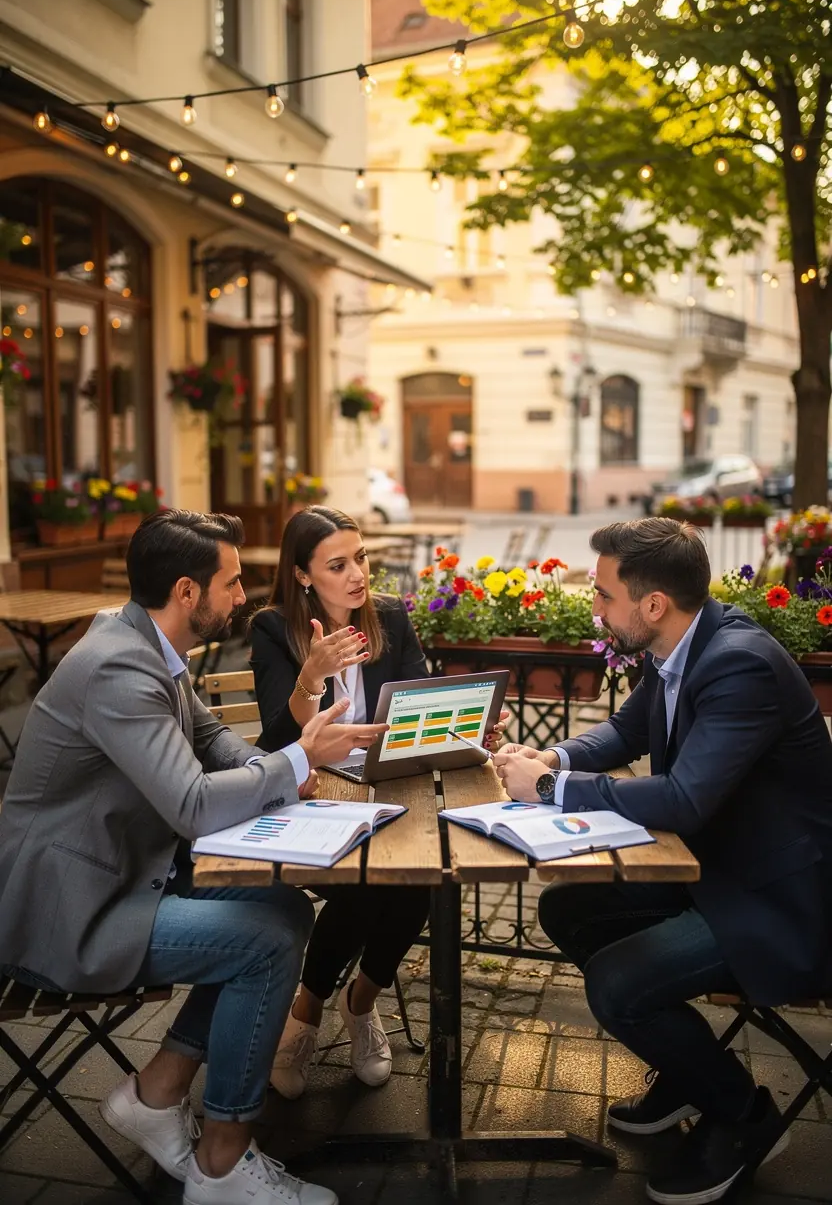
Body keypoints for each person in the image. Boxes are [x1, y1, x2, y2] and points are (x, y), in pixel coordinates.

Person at [0, 509, 389, 1205]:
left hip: (120, 877)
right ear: (187, 592)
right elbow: (193, 805)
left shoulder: (149, 648)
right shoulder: (118, 667)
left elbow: (216, 745)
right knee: (265, 940)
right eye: (233, 583)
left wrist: (294, 778)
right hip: (67, 912)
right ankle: (221, 1162)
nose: (243, 598)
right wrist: (300, 757)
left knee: (281, 908)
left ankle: (159, 1091)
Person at [493, 517, 832, 1205]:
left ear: (652, 605)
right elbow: (626, 731)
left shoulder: (739, 663)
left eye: (603, 596)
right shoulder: (684, 642)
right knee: (568, 908)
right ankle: (688, 1071)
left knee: (617, 983)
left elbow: (682, 799)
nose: (595, 609)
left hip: (782, 900)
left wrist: (553, 789)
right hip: (717, 874)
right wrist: (550, 758)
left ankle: (742, 1114)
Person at [251, 506, 506, 1099]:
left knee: (423, 874)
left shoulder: (388, 616)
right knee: (371, 880)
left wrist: (468, 729)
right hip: (311, 791)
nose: (357, 574)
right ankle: (308, 1011)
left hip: (387, 784)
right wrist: (309, 679)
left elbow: (420, 702)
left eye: (360, 558)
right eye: (337, 565)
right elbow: (274, 737)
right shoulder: (271, 628)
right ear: (303, 576)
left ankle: (360, 1001)